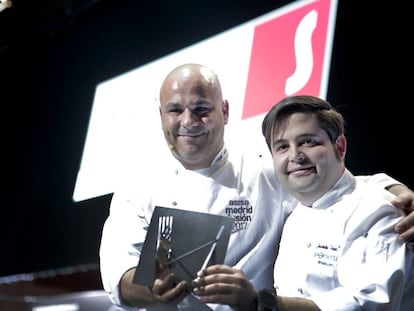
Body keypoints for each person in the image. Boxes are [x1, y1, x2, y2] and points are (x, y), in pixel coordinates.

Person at [99, 64, 414, 311]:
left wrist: (397, 192)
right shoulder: (136, 189)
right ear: (161, 115)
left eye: (201, 109)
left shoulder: (264, 171)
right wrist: (150, 288)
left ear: (224, 111)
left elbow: (337, 185)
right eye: (175, 110)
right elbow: (117, 274)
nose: (188, 121)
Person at [192, 95, 414, 310]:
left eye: (308, 142)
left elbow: (367, 304)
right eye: (282, 147)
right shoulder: (295, 210)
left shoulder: (376, 208)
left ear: (340, 147)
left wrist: (260, 304)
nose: (295, 156)